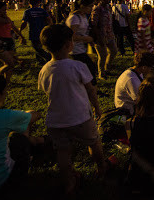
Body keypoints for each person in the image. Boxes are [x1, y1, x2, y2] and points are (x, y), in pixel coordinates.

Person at [38, 24, 106, 195]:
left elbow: (46, 90)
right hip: (80, 118)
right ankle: (101, 167)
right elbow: (91, 90)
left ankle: (68, 180)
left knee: (63, 151)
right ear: (68, 45)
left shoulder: (45, 69)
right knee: (93, 142)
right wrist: (97, 108)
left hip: (55, 121)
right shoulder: (78, 66)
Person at [0, 1, 26, 81]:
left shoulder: (6, 17)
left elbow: (13, 27)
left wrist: (21, 36)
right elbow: (6, 22)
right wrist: (6, 17)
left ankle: (6, 82)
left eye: (6, 10)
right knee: (10, 64)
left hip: (8, 40)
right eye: (3, 9)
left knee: (8, 64)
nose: (5, 11)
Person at [66, 0, 97, 83]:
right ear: (83, 6)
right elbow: (72, 36)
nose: (92, 8)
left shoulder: (83, 16)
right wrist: (87, 39)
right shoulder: (74, 18)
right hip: (75, 51)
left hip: (82, 49)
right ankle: (91, 91)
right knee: (90, 71)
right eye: (90, 6)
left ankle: (91, 90)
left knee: (90, 70)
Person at [91, 0, 118, 79]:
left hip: (109, 35)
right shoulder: (97, 9)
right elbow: (93, 25)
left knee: (114, 51)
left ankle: (107, 68)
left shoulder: (107, 8)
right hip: (100, 37)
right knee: (102, 56)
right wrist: (99, 37)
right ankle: (101, 73)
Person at [20, 0, 52, 65]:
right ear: (38, 3)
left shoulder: (27, 12)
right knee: (39, 47)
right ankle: (40, 61)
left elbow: (24, 23)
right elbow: (49, 19)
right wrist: (50, 27)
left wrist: (20, 31)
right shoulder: (42, 11)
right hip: (42, 32)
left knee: (37, 48)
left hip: (33, 32)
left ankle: (49, 57)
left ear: (29, 3)